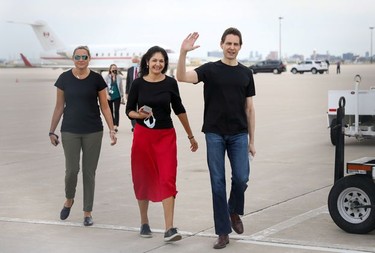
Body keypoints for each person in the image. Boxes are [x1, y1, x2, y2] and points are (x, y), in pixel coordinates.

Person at [176, 28, 256, 249]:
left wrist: (252, 140)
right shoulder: (210, 70)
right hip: (214, 133)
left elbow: (250, 108)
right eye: (228, 43)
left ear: (240, 46)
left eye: (236, 44)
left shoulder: (246, 73)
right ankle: (222, 232)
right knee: (218, 183)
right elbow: (181, 76)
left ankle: (233, 211)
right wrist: (183, 53)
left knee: (241, 178)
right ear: (221, 44)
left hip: (239, 134)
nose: (231, 47)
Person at [126, 46, 198, 242]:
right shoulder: (138, 84)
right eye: (154, 60)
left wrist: (191, 136)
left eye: (161, 61)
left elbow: (179, 109)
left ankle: (169, 229)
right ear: (147, 62)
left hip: (166, 137)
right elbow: (129, 111)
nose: (158, 64)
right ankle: (144, 222)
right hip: (143, 137)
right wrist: (138, 115)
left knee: (167, 178)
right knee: (142, 178)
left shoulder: (170, 83)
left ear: (165, 64)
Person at [49, 45, 117, 227]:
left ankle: (87, 212)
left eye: (84, 57)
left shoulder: (97, 80)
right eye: (77, 56)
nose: (81, 59)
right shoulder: (64, 79)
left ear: (89, 59)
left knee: (89, 173)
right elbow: (58, 107)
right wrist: (51, 130)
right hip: (69, 130)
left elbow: (104, 107)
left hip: (93, 131)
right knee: (71, 170)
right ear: (73, 59)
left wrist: (112, 129)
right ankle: (69, 199)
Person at [104, 64, 124, 132]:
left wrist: (122, 96)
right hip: (109, 96)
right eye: (113, 68)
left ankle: (116, 125)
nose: (114, 69)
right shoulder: (106, 77)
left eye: (115, 68)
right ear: (110, 69)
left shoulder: (119, 77)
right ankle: (112, 125)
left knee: (116, 111)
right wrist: (106, 95)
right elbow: (105, 87)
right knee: (110, 111)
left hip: (117, 96)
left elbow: (121, 87)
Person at [125, 56, 140, 132]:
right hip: (131, 92)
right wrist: (126, 92)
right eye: (133, 61)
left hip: (141, 92)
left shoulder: (142, 70)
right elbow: (128, 82)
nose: (134, 62)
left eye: (135, 60)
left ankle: (139, 124)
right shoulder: (130, 70)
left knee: (140, 108)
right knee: (132, 109)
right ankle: (134, 126)